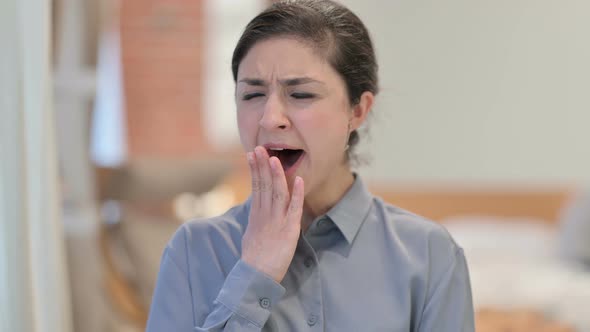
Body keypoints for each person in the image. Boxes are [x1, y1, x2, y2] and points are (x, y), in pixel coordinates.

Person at [146, 1, 474, 331]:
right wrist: (254, 274)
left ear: (358, 111)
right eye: (252, 95)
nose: (270, 118)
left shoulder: (430, 256)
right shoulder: (194, 251)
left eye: (301, 94)